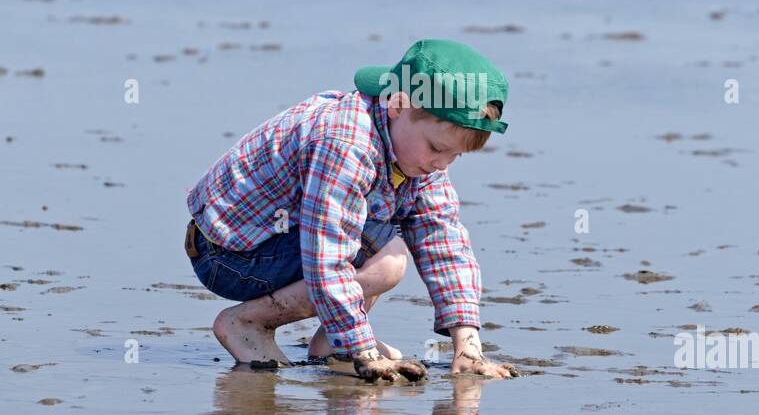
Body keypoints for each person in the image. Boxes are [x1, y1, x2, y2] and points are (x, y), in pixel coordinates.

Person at [184, 38, 518, 381]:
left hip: (281, 240)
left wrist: (468, 345)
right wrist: (365, 350)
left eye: (454, 156)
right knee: (387, 258)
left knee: (380, 227)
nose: (441, 164)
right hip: (229, 254)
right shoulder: (346, 144)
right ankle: (249, 322)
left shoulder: (416, 154)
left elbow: (442, 237)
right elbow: (326, 253)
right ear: (397, 106)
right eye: (437, 148)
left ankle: (335, 343)